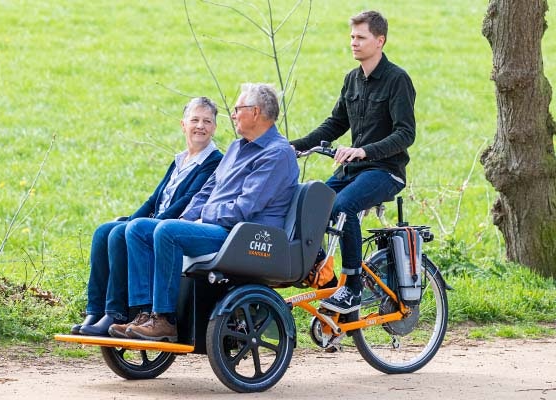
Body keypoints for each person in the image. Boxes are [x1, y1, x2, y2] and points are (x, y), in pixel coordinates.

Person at [110, 83, 300, 341]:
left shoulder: (277, 154)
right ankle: (144, 313)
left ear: (255, 112)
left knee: (167, 231)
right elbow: (206, 190)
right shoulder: (235, 148)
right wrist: (187, 218)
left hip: (242, 235)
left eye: (237, 109)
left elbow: (245, 208)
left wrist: (203, 217)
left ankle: (164, 319)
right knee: (139, 228)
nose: (233, 115)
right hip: (218, 227)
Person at [291, 11, 416, 314]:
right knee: (305, 204)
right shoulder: (352, 80)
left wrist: (364, 151)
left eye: (360, 37)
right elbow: (334, 124)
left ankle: (353, 289)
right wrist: (293, 146)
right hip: (353, 171)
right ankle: (325, 279)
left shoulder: (397, 80)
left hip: (386, 171)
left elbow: (405, 134)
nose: (354, 43)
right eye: (352, 37)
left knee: (343, 206)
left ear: (380, 40)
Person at [72, 97, 223, 336]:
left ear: (214, 127)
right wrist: (132, 219)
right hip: (156, 220)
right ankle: (96, 310)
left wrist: (148, 223)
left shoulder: (214, 162)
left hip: (178, 225)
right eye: (194, 120)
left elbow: (188, 202)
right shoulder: (179, 160)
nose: (200, 126)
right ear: (183, 124)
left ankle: (119, 312)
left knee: (125, 231)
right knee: (106, 231)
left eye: (207, 121)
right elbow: (154, 199)